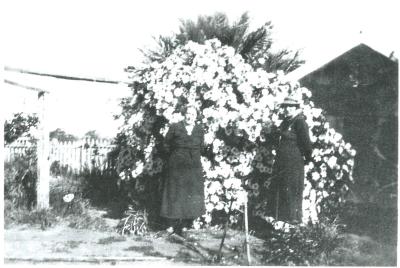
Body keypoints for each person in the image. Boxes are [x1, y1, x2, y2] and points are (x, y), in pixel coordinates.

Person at [160, 105, 205, 236]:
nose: (190, 116)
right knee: (174, 194)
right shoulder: (175, 127)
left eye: (193, 114)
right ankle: (170, 226)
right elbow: (166, 144)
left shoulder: (199, 130)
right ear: (184, 114)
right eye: (188, 113)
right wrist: (176, 157)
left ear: (196, 116)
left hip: (193, 167)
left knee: (190, 194)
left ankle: (185, 226)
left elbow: (202, 147)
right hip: (176, 167)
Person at [268, 96, 313, 224]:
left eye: (290, 107)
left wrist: (307, 159)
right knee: (282, 191)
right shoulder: (286, 122)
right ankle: (281, 224)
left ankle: (292, 222)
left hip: (293, 163)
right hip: (282, 163)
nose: (287, 109)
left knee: (291, 191)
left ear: (296, 108)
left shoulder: (300, 122)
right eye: (285, 106)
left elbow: (306, 144)